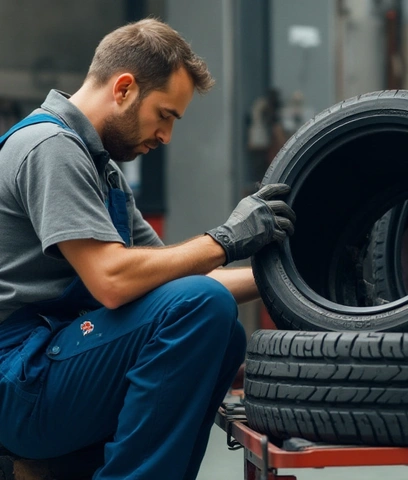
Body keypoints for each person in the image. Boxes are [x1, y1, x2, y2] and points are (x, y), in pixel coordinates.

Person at [0, 18, 295, 480]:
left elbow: (179, 280)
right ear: (123, 88)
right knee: (203, 308)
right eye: (165, 115)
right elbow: (112, 281)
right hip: (18, 377)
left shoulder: (102, 170)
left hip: (51, 360)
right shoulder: (49, 147)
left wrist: (288, 279)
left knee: (221, 332)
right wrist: (225, 239)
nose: (166, 137)